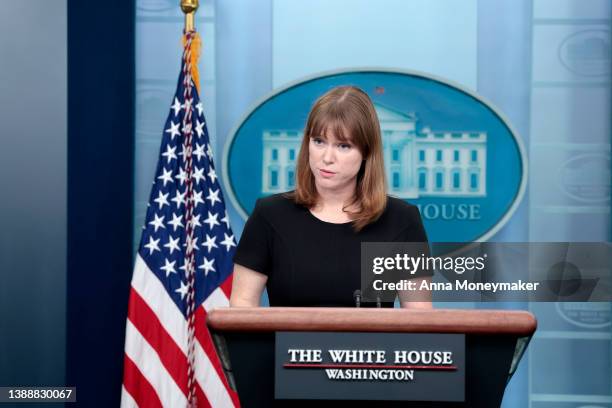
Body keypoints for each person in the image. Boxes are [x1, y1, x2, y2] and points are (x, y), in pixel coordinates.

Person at [230, 85, 432, 308]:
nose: (327, 157)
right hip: (287, 344)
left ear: (366, 152)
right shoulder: (269, 215)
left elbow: (419, 316)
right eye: (319, 141)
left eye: (343, 146)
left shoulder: (402, 220)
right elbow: (242, 304)